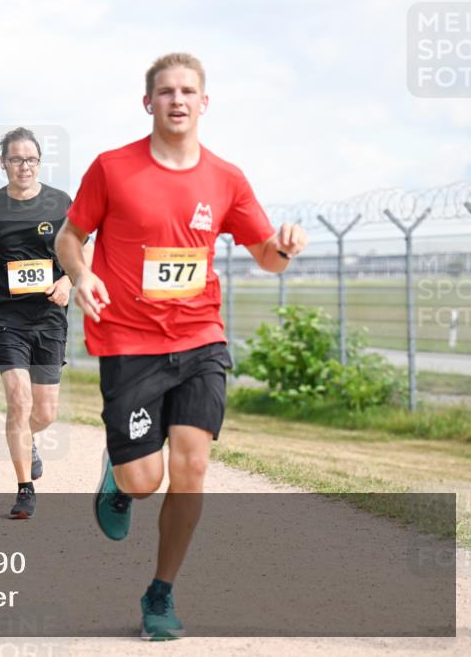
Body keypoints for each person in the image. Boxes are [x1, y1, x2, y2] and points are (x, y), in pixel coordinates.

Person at [56, 53, 308, 640]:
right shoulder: (112, 168)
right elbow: (73, 236)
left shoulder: (226, 178)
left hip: (200, 339)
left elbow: (266, 255)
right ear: (149, 103)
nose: (177, 99)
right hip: (129, 341)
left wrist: (287, 246)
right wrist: (81, 274)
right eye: (165, 91)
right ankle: (120, 479)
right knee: (146, 479)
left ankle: (160, 595)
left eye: (188, 90)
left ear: (204, 102)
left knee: (192, 467)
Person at [0, 128, 73, 519]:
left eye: (32, 160)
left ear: (40, 162)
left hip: (50, 318)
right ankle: (25, 489)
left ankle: (28, 440)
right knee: (19, 402)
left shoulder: (60, 203)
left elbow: (82, 254)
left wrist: (68, 281)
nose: (25, 166)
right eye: (17, 160)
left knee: (45, 413)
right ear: (3, 163)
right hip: (6, 317)